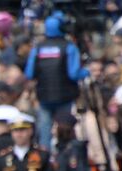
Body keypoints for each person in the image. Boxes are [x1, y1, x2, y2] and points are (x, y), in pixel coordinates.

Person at [25, 15, 85, 149]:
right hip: (65, 98)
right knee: (66, 130)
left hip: (44, 97)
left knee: (45, 132)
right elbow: (74, 74)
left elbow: (29, 73)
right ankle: (66, 156)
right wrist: (86, 72)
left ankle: (45, 159)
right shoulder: (69, 47)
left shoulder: (38, 48)